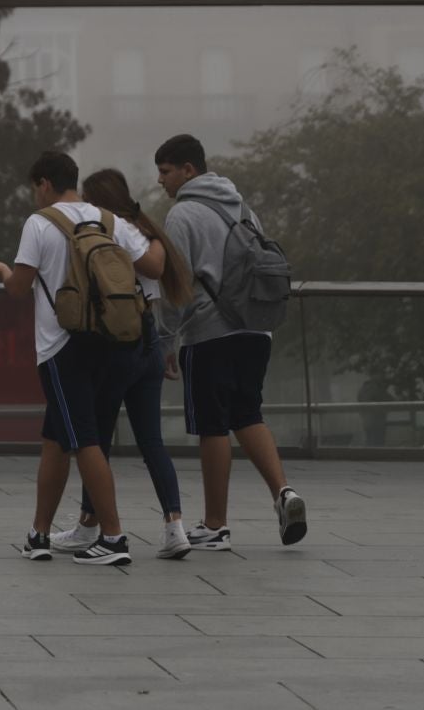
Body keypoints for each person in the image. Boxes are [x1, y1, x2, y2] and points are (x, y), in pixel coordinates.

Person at [0, 150, 165, 566]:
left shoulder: (39, 223)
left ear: (44, 183)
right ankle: (38, 534)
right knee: (55, 440)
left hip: (62, 349)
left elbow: (19, 287)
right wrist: (157, 235)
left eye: (34, 187)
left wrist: (2, 273)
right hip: (111, 342)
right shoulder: (108, 219)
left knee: (84, 441)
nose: (34, 195)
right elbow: (152, 267)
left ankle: (114, 538)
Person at [156, 133, 307, 549]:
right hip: (257, 329)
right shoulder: (241, 205)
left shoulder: (182, 215)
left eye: (166, 172)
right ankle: (284, 493)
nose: (161, 182)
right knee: (248, 414)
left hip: (210, 333)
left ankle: (215, 524)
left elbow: (176, 285)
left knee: (212, 426)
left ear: (189, 169)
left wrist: (165, 338)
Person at [47, 168, 197, 560]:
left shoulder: (109, 233)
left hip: (116, 348)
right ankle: (174, 526)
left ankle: (91, 526)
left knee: (94, 440)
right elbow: (158, 278)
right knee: (152, 441)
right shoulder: (145, 233)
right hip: (149, 345)